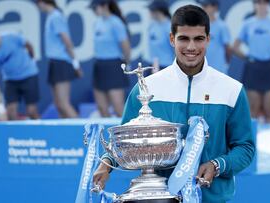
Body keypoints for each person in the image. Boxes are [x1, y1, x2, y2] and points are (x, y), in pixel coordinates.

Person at [93, 5, 255, 203]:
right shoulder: (146, 88)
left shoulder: (231, 90)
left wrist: (218, 164)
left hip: (213, 198)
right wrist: (106, 163)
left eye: (198, 39)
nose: (191, 47)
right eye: (184, 39)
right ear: (172, 39)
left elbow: (245, 147)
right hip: (157, 198)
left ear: (208, 39)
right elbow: (126, 142)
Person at [233, 0, 270, 123]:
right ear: (254, 4)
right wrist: (248, 58)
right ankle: (252, 142)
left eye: (264, 2)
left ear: (268, 4)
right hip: (253, 68)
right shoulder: (247, 23)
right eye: (258, 2)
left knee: (269, 110)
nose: (261, 5)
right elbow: (235, 46)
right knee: (253, 110)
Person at [37, 0, 83, 118]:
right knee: (58, 104)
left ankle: (83, 134)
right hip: (55, 62)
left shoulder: (56, 17)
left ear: (42, 2)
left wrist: (76, 64)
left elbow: (67, 41)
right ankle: (65, 135)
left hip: (61, 63)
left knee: (63, 104)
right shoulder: (51, 16)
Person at [90, 0, 131, 117]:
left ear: (105, 5)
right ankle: (108, 136)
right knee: (102, 108)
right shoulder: (97, 22)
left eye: (95, 8)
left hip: (113, 65)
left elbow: (126, 46)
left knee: (118, 108)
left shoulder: (116, 22)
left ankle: (125, 134)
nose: (94, 11)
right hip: (99, 65)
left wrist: (126, 64)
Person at [0, 33, 40, 120]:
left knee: (32, 111)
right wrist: (0, 106)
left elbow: (28, 45)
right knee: (11, 112)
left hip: (29, 75)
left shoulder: (11, 37)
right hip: (10, 80)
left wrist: (32, 59)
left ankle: (40, 133)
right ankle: (13, 134)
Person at [198, 0, 231, 74]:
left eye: (206, 5)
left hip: (218, 70)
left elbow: (228, 49)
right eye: (202, 5)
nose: (203, 8)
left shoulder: (222, 26)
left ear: (215, 7)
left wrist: (225, 64)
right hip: (201, 70)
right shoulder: (198, 26)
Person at [147, 0, 174, 73]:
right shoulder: (152, 26)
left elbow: (176, 50)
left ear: (159, 12)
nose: (149, 12)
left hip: (167, 66)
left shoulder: (170, 28)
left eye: (151, 10)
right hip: (153, 66)